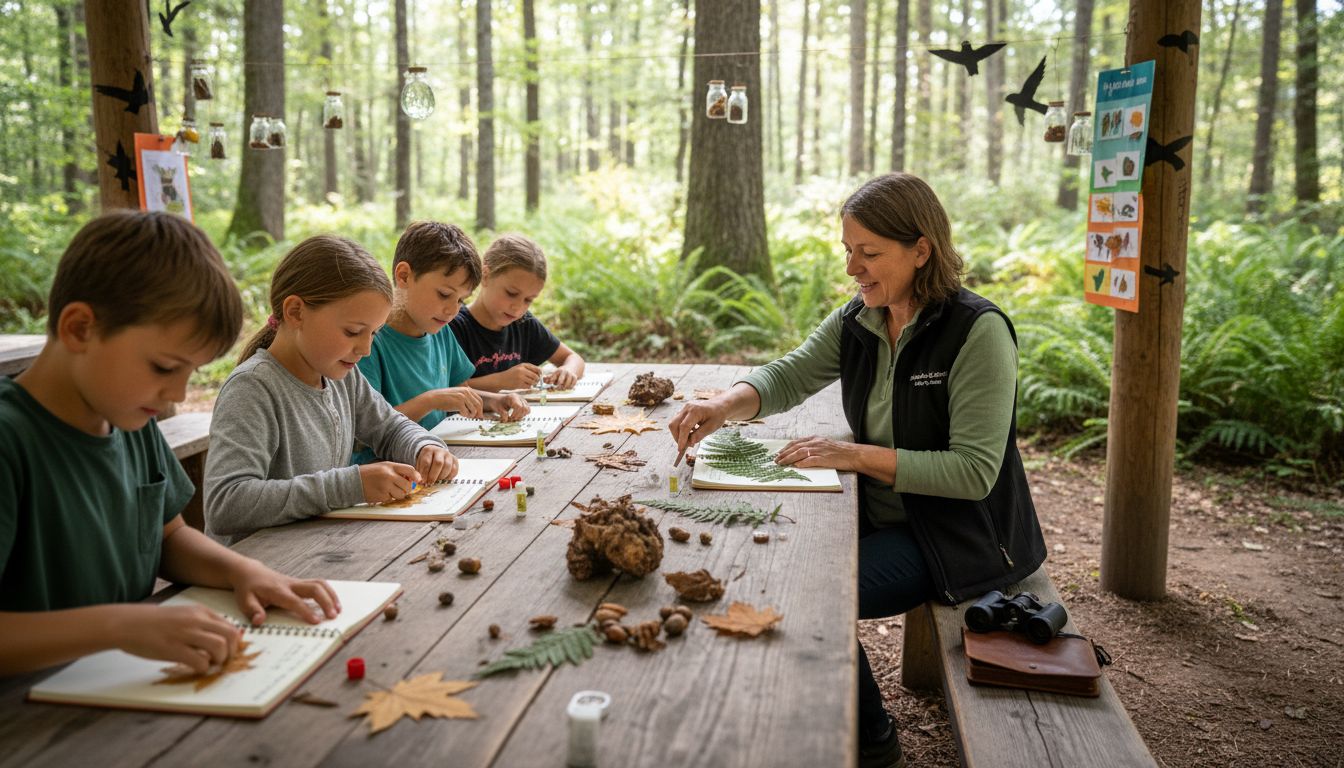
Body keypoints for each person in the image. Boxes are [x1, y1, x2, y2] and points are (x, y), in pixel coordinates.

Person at [669, 173, 1046, 768]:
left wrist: (853, 456)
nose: (853, 268)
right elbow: (790, 374)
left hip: (958, 533)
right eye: (848, 251)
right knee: (764, 564)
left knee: (810, 595)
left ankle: (871, 740)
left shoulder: (978, 331)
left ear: (922, 250)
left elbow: (974, 473)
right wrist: (721, 404)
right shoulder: (861, 318)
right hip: (879, 511)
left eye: (869, 253)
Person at [0, 211, 339, 676]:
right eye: (163, 367)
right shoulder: (11, 441)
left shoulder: (127, 420)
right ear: (79, 328)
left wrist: (245, 572)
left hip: (126, 689)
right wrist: (119, 625)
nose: (177, 395)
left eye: (190, 373)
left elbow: (169, 536)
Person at [204, 235, 458, 545]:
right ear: (296, 311)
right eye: (353, 332)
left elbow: (390, 427)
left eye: (374, 334)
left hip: (318, 551)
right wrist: (350, 485)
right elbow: (226, 503)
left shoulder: (341, 376)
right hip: (257, 568)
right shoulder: (253, 388)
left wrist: (424, 447)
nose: (365, 349)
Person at [354, 222, 528, 463]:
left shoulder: (440, 330)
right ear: (404, 276)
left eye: (460, 301)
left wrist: (495, 400)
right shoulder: (368, 342)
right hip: (387, 472)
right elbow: (362, 433)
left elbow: (459, 393)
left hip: (438, 459)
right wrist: (431, 400)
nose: (451, 310)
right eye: (444, 294)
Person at [449, 234, 585, 392]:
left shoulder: (523, 323)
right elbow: (445, 389)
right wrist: (501, 381)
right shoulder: (453, 326)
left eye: (528, 300)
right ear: (486, 275)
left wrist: (568, 371)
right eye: (511, 293)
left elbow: (573, 358)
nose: (518, 308)